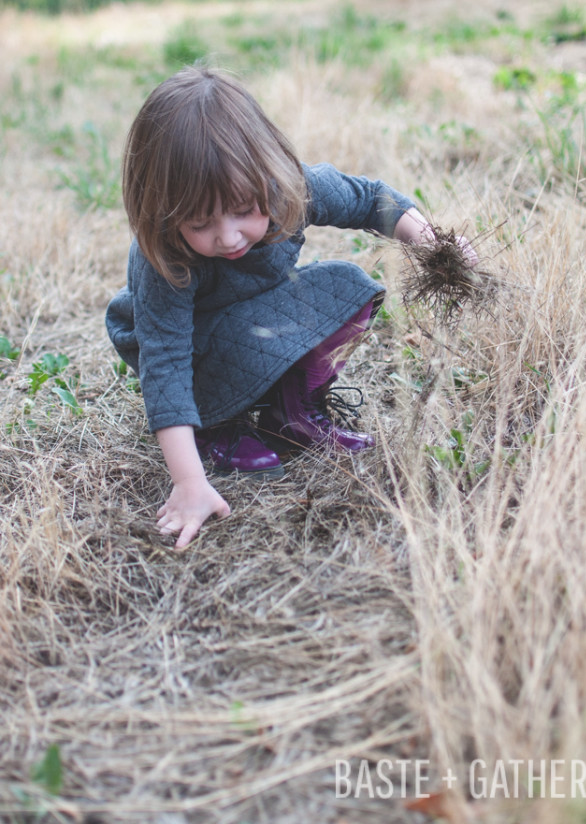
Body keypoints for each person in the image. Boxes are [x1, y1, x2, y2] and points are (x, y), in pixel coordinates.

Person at [106, 66, 476, 549]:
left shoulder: (289, 190)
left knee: (346, 285)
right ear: (163, 211)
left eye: (243, 210)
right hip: (194, 354)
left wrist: (431, 242)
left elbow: (368, 198)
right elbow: (165, 362)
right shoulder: (163, 256)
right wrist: (187, 482)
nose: (229, 235)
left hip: (249, 323)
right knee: (203, 357)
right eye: (201, 222)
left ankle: (292, 413)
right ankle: (214, 426)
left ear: (267, 175)